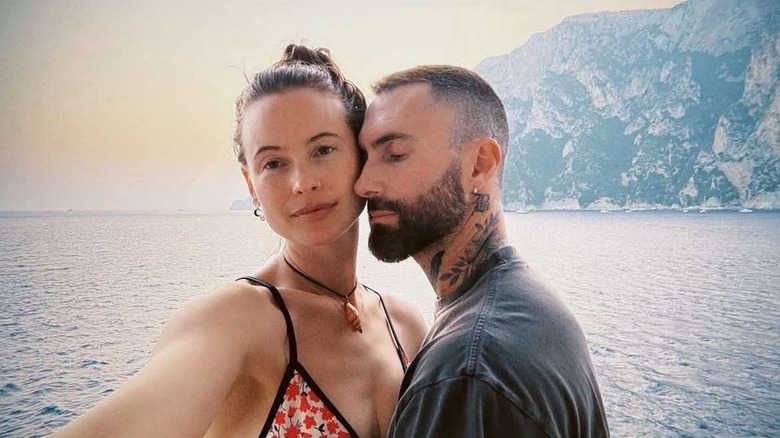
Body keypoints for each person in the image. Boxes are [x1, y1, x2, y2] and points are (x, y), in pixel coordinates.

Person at [51, 45, 427, 438]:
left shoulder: (404, 324)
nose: (302, 183)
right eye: (274, 163)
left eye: (323, 150)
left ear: (361, 156)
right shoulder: (237, 322)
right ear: (251, 185)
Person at [354, 65, 610, 437]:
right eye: (364, 157)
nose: (363, 184)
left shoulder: (466, 371)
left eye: (394, 154)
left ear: (479, 164)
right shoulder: (534, 306)